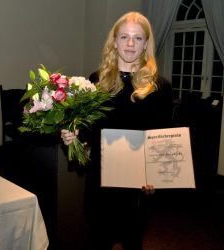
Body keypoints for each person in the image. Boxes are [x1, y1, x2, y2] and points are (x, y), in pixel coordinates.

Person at [61, 12, 173, 250]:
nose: (130, 44)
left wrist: (156, 176)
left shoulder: (160, 87)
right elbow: (89, 133)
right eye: (124, 37)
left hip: (138, 188)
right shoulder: (96, 81)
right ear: (114, 41)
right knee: (98, 241)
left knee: (134, 243)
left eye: (138, 38)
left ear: (146, 44)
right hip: (101, 182)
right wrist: (74, 137)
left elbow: (161, 138)